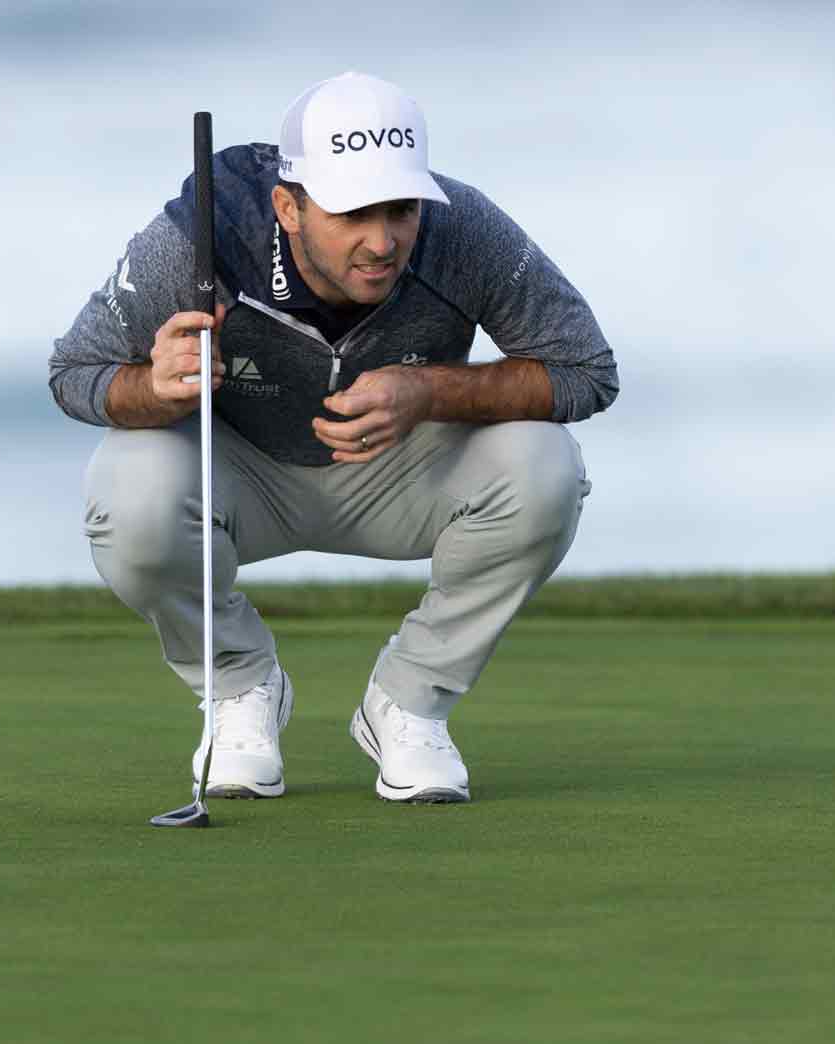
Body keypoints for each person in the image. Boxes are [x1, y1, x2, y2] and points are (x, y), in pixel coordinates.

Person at [49, 71, 617, 803]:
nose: (382, 242)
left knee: (547, 466)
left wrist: (432, 390)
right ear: (288, 205)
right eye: (352, 213)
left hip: (401, 473)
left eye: (401, 210)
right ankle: (240, 686)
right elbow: (75, 374)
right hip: (240, 474)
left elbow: (587, 372)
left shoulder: (463, 229)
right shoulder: (200, 241)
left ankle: (409, 705)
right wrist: (154, 390)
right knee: (129, 486)